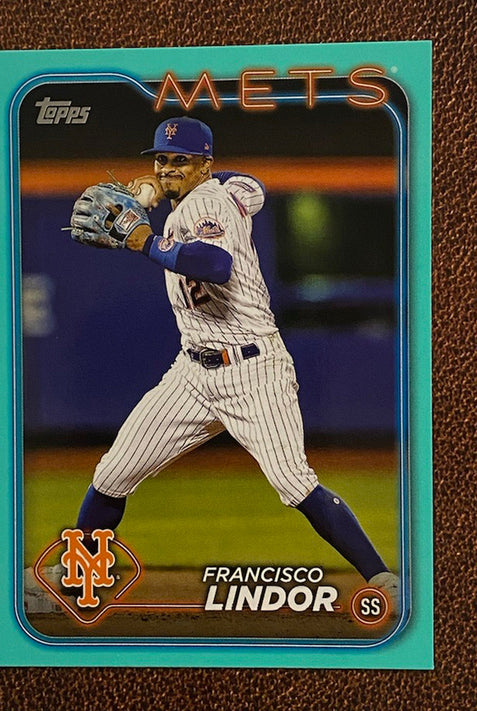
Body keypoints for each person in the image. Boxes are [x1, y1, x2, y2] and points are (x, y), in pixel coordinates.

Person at [69, 116, 399, 607]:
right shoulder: (225, 191)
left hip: (252, 372)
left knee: (294, 483)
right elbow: (252, 185)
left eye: (181, 160)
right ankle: (78, 574)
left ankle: (381, 578)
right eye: (161, 159)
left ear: (204, 165)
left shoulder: (206, 203)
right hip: (191, 375)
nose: (168, 167)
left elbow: (216, 265)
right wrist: (155, 189)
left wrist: (146, 241)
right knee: (114, 473)